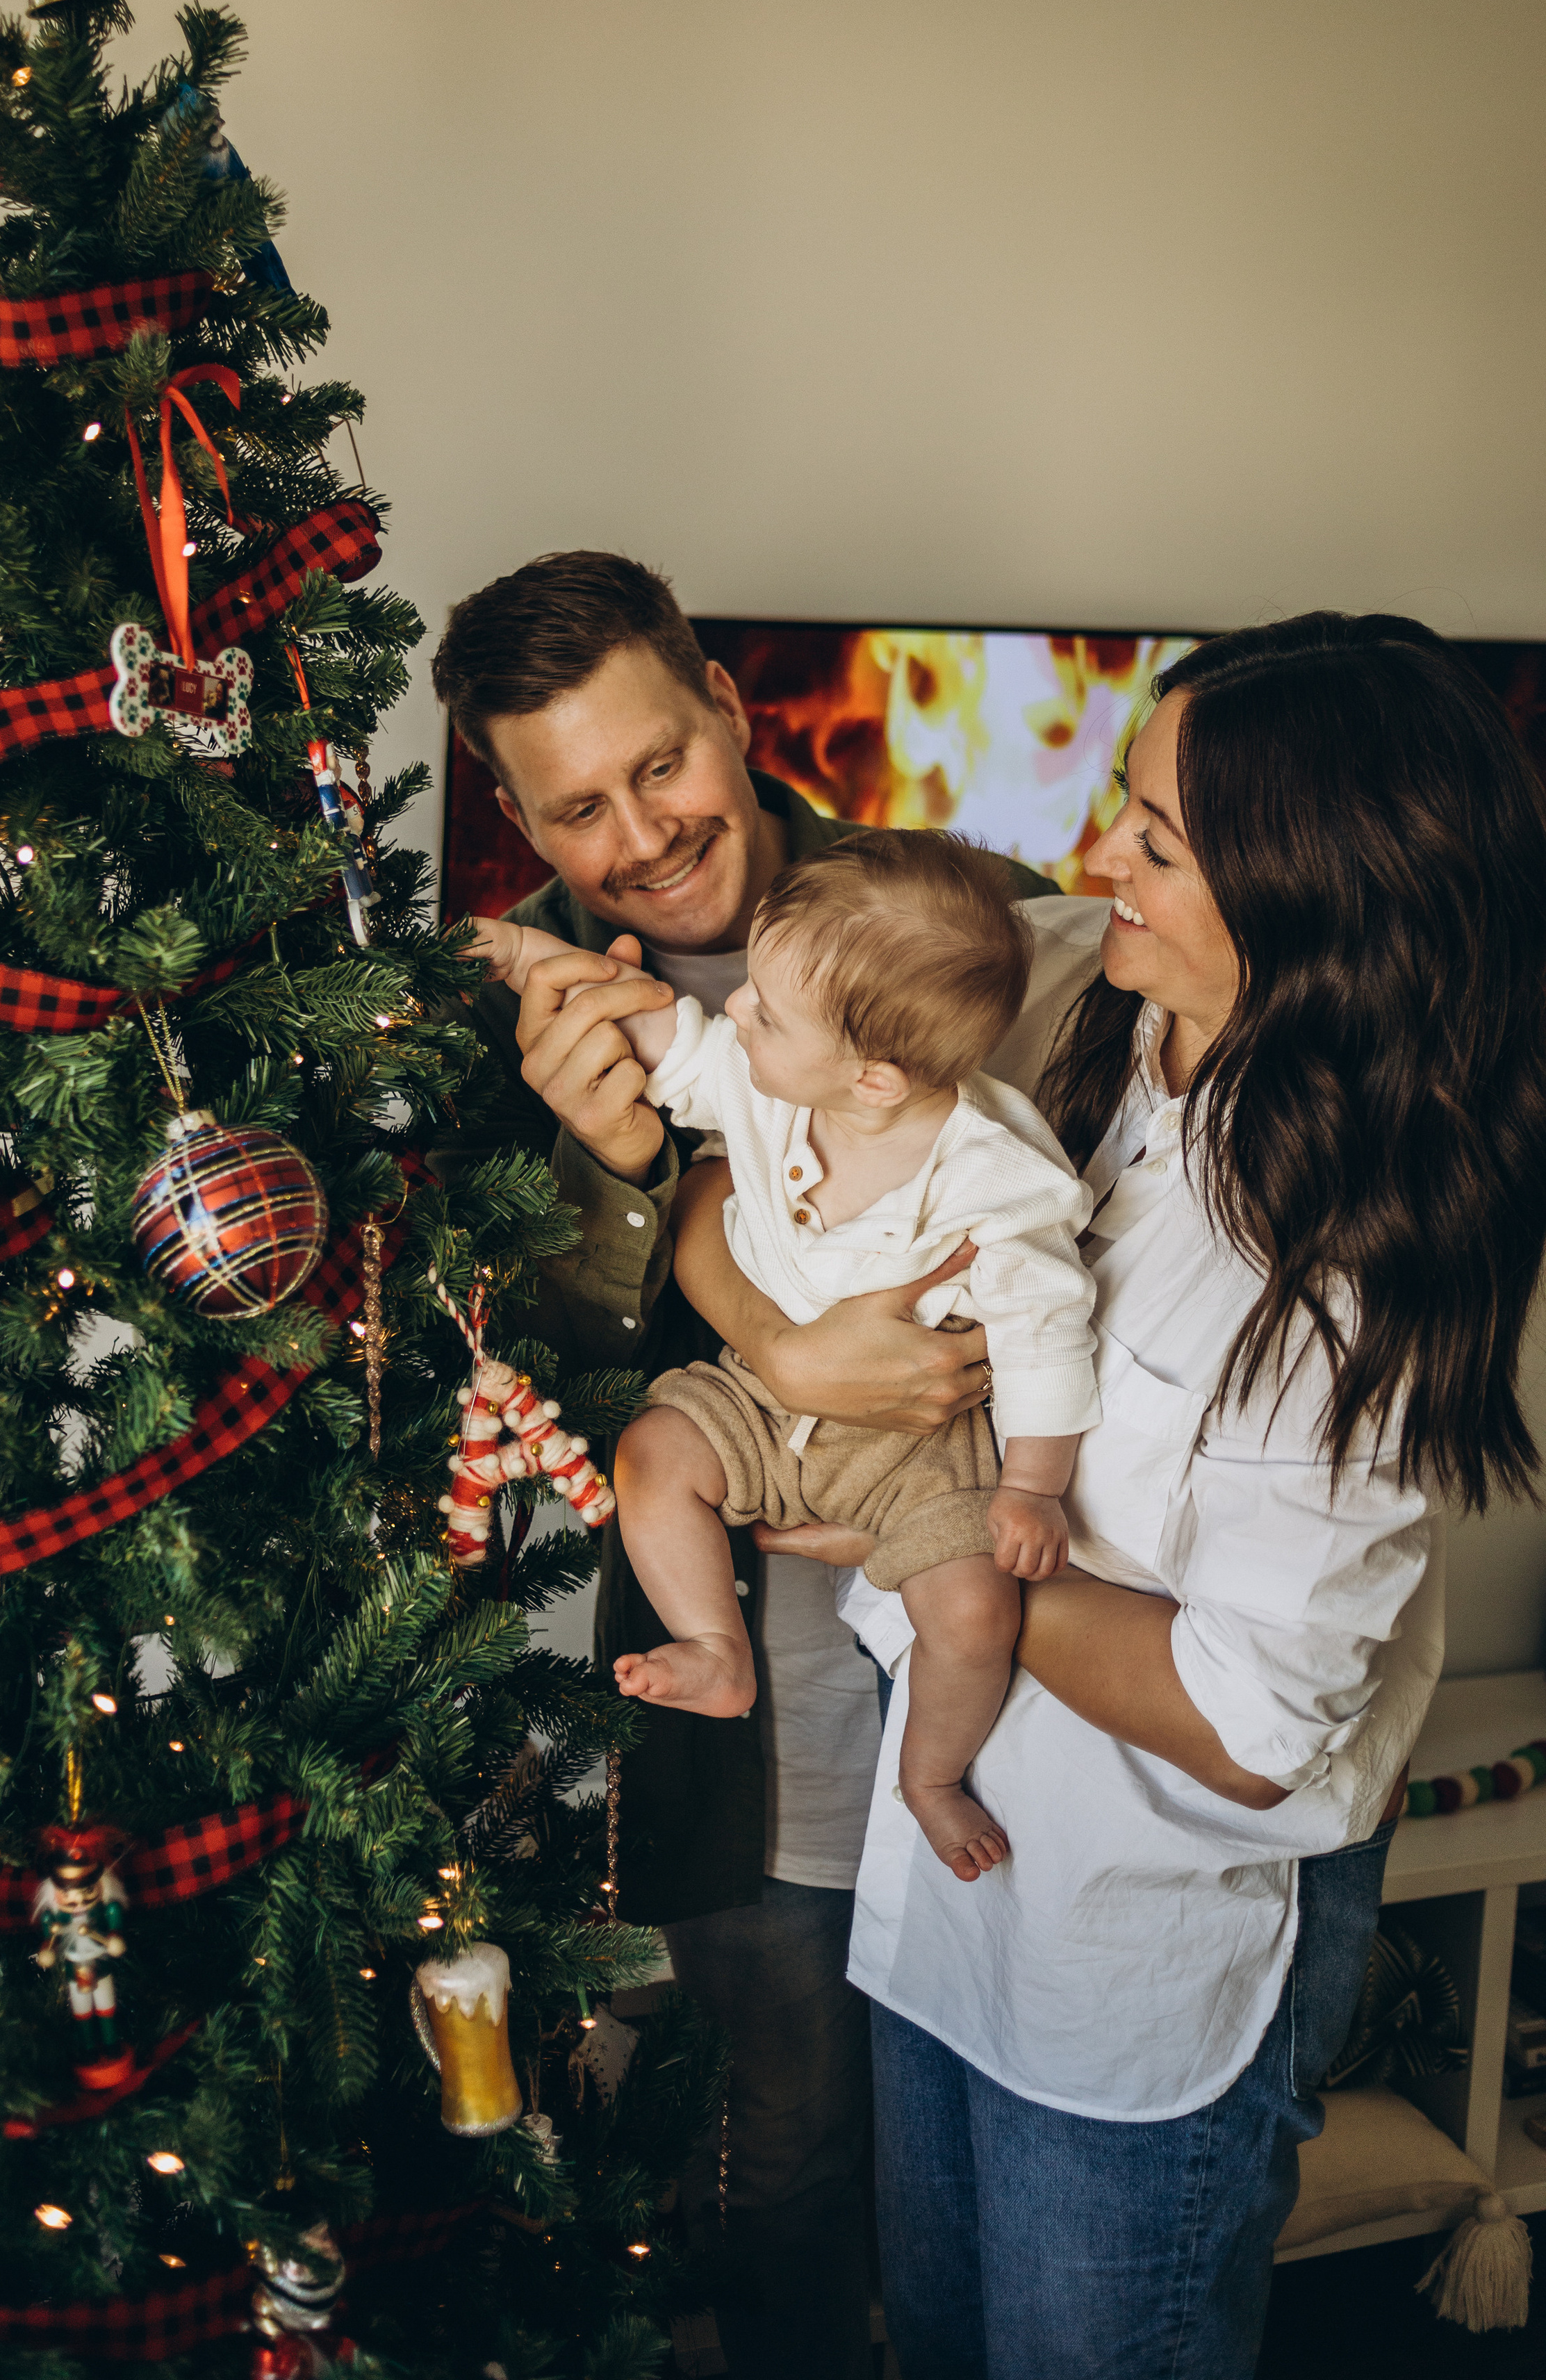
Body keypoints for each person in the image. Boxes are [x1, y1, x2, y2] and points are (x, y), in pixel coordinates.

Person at [664, 612, 1546, 2379]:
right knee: (934, 2335)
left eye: (1156, 838)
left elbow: (1245, 1728)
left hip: (1133, 1947)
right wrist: (785, 1340)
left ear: (1312, 888)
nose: (1099, 863)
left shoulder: (1340, 1264)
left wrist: (916, 1551)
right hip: (959, 1881)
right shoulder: (1102, 1028)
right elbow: (749, 1153)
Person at [429, 555, 1056, 2380]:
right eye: (573, 810)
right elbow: (512, 1399)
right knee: (780, 2157)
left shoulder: (981, 914)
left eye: (659, 768)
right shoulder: (499, 1026)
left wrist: (868, 1362)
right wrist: (614, 1179)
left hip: (1023, 1668)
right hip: (751, 1741)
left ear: (725, 700)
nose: (634, 838)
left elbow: (1120, 1257)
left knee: (999, 2147)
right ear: (513, 810)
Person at [466, 828, 1099, 1880]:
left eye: (766, 1008)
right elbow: (670, 1035)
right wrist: (528, 958)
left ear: (877, 1079)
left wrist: (1033, 1485)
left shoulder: (997, 1178)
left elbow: (1046, 1328)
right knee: (651, 1459)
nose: (738, 1012)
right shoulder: (766, 1079)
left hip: (917, 1440)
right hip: (757, 1393)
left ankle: (932, 1776)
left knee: (976, 1607)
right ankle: (717, 1651)